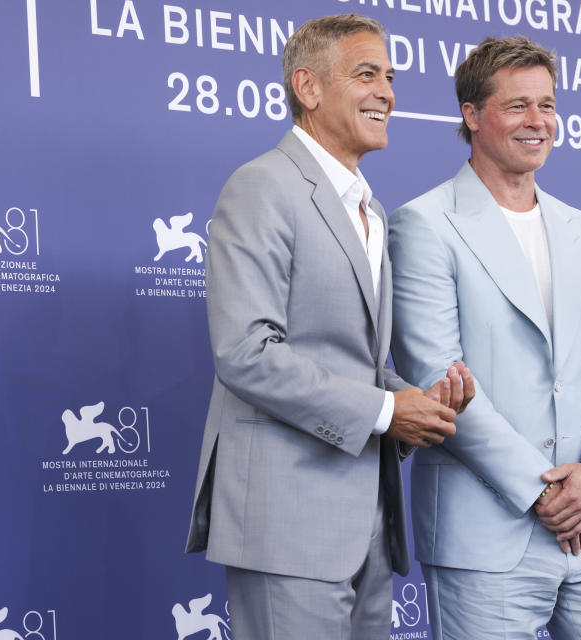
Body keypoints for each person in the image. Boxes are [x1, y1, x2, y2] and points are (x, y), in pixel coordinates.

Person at [184, 14, 473, 640]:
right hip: (288, 523)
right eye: (366, 74)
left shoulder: (371, 208)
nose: (388, 93)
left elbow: (355, 360)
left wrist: (413, 401)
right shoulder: (262, 186)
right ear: (308, 88)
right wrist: (383, 410)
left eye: (390, 77)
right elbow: (245, 351)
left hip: (368, 520)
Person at [388, 36, 581, 639]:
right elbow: (440, 383)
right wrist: (545, 495)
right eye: (517, 106)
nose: (538, 122)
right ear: (472, 115)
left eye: (548, 105)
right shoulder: (425, 224)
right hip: (485, 537)